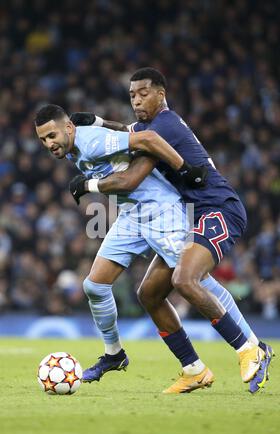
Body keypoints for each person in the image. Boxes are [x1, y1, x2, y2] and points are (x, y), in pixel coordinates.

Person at [69, 68, 274, 394]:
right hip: (194, 212)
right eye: (132, 95)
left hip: (218, 209)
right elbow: (127, 130)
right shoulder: (153, 126)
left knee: (187, 279)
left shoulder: (162, 125)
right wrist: (97, 121)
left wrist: (90, 183)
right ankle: (193, 369)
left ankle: (251, 348)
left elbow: (133, 166)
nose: (136, 100)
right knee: (150, 294)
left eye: (143, 93)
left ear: (161, 94)